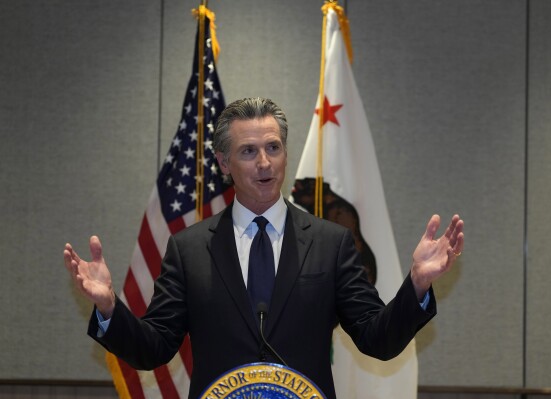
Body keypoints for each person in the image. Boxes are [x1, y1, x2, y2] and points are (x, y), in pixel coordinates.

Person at [64, 97, 464, 399]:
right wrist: (109, 309)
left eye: (273, 148)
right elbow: (153, 348)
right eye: (248, 152)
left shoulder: (331, 244)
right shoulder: (189, 249)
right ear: (223, 162)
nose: (264, 164)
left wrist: (416, 286)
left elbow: (378, 339)